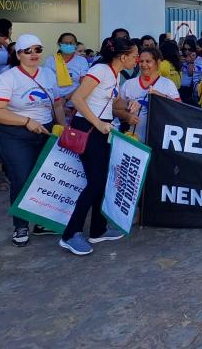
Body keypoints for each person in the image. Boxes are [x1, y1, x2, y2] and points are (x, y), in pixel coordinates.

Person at [59, 37, 138, 256]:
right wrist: (99, 123)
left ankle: (98, 229)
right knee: (95, 182)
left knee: (102, 180)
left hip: (100, 130)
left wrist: (130, 104)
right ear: (122, 56)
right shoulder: (101, 70)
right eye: (134, 55)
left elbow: (111, 102)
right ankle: (70, 234)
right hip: (89, 129)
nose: (136, 60)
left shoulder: (114, 74)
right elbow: (77, 98)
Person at [0, 35, 65, 247]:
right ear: (18, 54)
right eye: (27, 50)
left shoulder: (48, 74)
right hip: (15, 135)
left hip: (46, 132)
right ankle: (20, 225)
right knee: (22, 179)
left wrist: (63, 128)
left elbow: (57, 104)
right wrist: (26, 121)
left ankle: (40, 223)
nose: (33, 54)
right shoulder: (8, 77)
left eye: (37, 49)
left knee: (45, 178)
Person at [116, 47, 179, 143]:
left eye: (148, 61)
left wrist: (161, 97)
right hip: (132, 141)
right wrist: (126, 116)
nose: (144, 64)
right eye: (141, 61)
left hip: (159, 141)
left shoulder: (167, 84)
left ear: (157, 63)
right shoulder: (129, 84)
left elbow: (179, 110)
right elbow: (114, 108)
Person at [43, 32, 89, 108]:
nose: (69, 45)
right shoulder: (51, 60)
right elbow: (47, 83)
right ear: (59, 44)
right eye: (66, 43)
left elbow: (83, 84)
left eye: (71, 43)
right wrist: (58, 100)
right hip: (55, 103)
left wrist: (66, 98)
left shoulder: (82, 61)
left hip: (75, 103)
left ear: (75, 45)